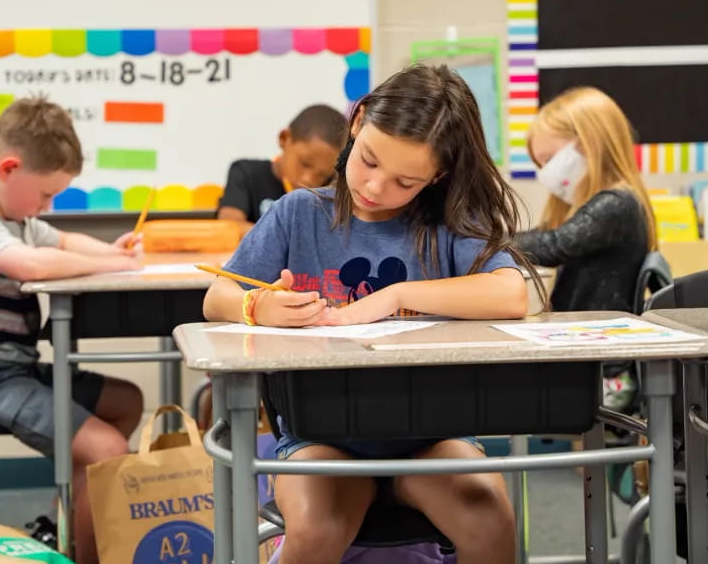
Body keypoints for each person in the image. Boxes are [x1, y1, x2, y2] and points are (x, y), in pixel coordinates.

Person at [204, 64, 541, 564]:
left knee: (490, 522)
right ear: (358, 120)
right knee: (315, 530)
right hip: (323, 435)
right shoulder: (300, 212)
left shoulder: (449, 221)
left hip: (431, 436)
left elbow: (512, 295)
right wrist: (259, 305)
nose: (376, 187)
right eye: (368, 160)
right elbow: (217, 296)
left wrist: (395, 295)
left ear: (438, 176)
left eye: (405, 181)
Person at [0, 97, 144, 564]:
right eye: (46, 195)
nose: (47, 207)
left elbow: (63, 240)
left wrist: (115, 253)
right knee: (106, 448)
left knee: (126, 402)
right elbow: (30, 264)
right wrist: (106, 266)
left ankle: (65, 529)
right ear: (9, 168)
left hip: (14, 371)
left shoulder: (18, 220)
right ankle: (83, 553)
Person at [515, 86, 657, 314]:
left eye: (548, 159)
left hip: (599, 328)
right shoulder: (610, 203)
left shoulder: (616, 204)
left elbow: (552, 245)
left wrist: (490, 244)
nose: (545, 173)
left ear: (589, 143)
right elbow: (546, 234)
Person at [217, 103, 347, 231]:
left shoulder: (326, 194)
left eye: (322, 175)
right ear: (284, 139)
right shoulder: (246, 173)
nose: (308, 180)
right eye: (305, 163)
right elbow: (230, 227)